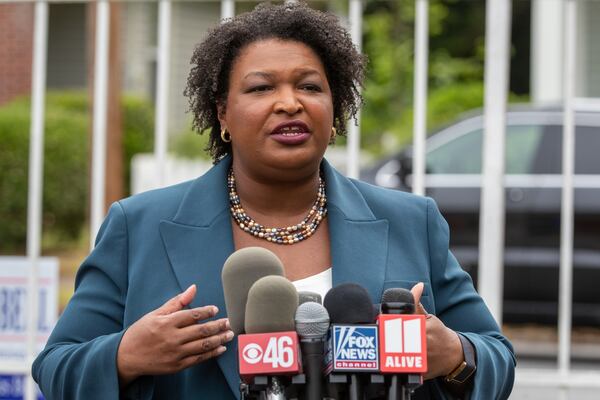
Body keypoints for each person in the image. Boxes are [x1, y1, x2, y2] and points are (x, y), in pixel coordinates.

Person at [32, 2, 515, 399]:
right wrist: (123, 357)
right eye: (262, 88)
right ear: (222, 113)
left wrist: (453, 355)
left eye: (309, 86)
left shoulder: (412, 220)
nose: (289, 103)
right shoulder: (139, 226)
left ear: (336, 110)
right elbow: (56, 367)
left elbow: (496, 357)